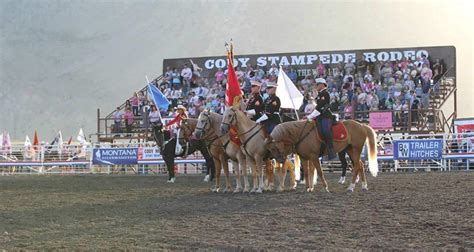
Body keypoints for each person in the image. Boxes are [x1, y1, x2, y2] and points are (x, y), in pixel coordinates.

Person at [307, 78, 337, 160]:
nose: (315, 86)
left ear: (322, 84)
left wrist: (309, 116)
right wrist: (315, 97)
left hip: (326, 116)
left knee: (325, 131)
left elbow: (320, 109)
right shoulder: (320, 94)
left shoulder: (325, 93)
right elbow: (317, 105)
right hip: (319, 116)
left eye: (317, 84)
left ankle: (331, 149)